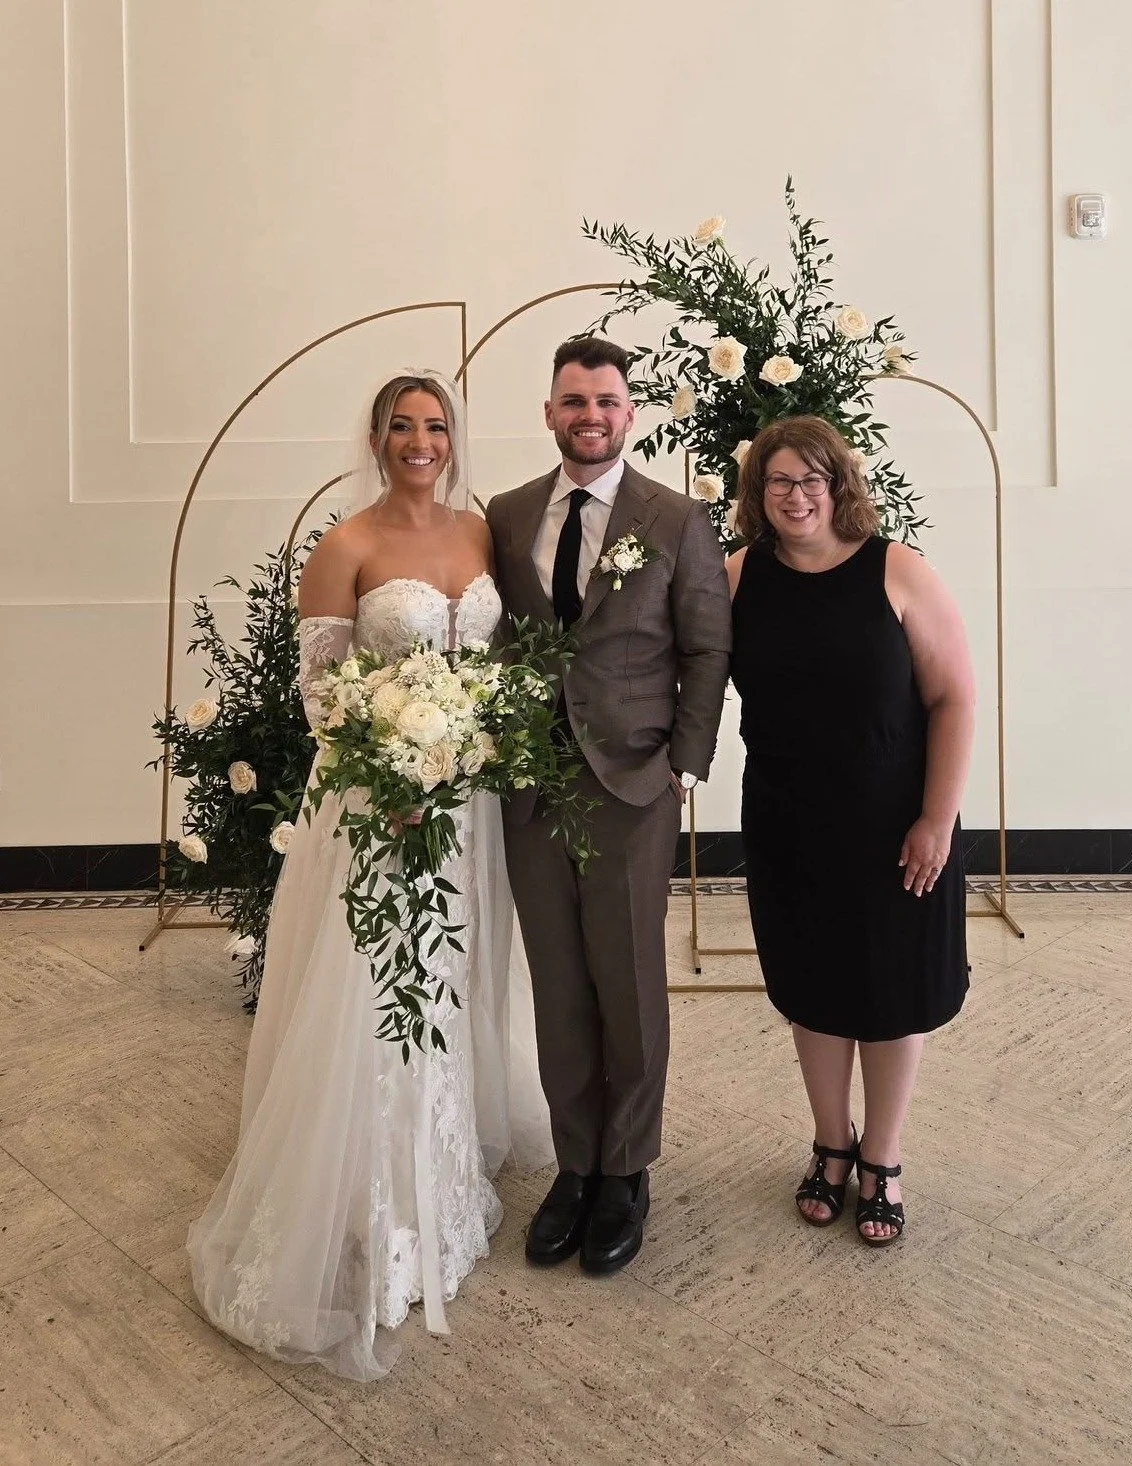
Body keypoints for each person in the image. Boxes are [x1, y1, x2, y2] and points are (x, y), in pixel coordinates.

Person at [188, 371, 552, 1380]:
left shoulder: (481, 534)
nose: (419, 440)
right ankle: (372, 1188)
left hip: (468, 800)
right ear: (378, 438)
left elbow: (497, 665)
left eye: (434, 424)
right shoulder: (343, 546)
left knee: (456, 968)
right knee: (381, 981)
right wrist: (391, 770)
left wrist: (474, 742)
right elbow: (321, 695)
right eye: (402, 425)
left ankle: (446, 1156)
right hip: (378, 803)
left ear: (452, 437)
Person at [485, 338, 731, 1275]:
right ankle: (576, 1164)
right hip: (531, 785)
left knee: (627, 982)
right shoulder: (508, 514)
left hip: (633, 782)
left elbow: (707, 647)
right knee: (558, 985)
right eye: (573, 400)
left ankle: (626, 1170)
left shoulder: (676, 516)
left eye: (606, 401)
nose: (590, 415)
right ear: (549, 413)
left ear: (630, 414)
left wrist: (686, 765)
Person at [726, 415, 975, 1246]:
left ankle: (883, 1156)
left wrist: (936, 820)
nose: (796, 495)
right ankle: (832, 1144)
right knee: (814, 988)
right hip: (788, 822)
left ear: (840, 486)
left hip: (894, 823)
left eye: (812, 479)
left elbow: (955, 699)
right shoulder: (737, 576)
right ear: (758, 493)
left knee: (893, 992)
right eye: (779, 480)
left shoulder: (897, 570)